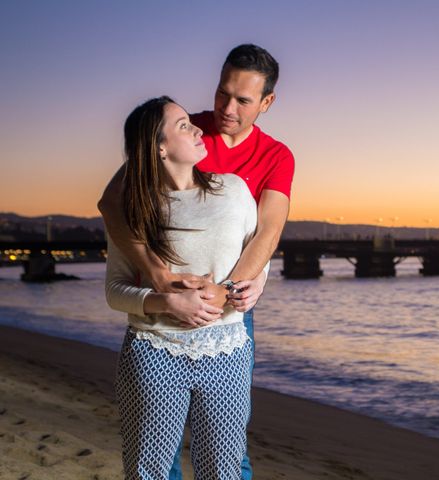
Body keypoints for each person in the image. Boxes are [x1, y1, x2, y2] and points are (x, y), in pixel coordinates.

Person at [98, 44, 294, 480]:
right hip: (157, 334)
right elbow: (113, 203)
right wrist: (160, 279)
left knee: (226, 451)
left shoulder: (273, 157)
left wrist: (236, 286)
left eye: (243, 100)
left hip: (229, 317)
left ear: (267, 102)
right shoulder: (183, 131)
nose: (226, 108)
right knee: (155, 454)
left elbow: (267, 231)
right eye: (223, 93)